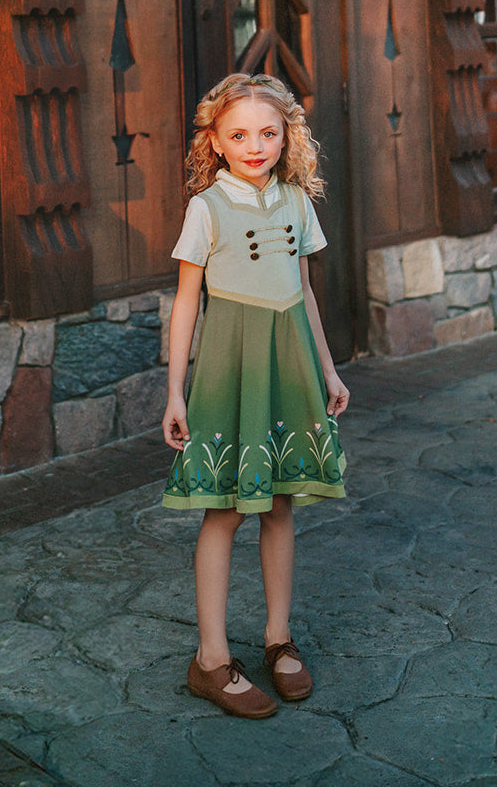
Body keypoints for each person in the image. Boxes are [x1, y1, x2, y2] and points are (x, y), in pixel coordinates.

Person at [161, 72, 349, 719]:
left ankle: (277, 638)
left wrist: (327, 370)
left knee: (279, 504)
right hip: (230, 366)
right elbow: (186, 303)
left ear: (286, 136)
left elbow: (304, 292)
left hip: (289, 361)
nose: (254, 145)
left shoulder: (297, 200)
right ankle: (210, 659)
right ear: (213, 140)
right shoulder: (205, 207)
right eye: (238, 134)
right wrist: (174, 391)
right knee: (224, 509)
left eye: (267, 133)